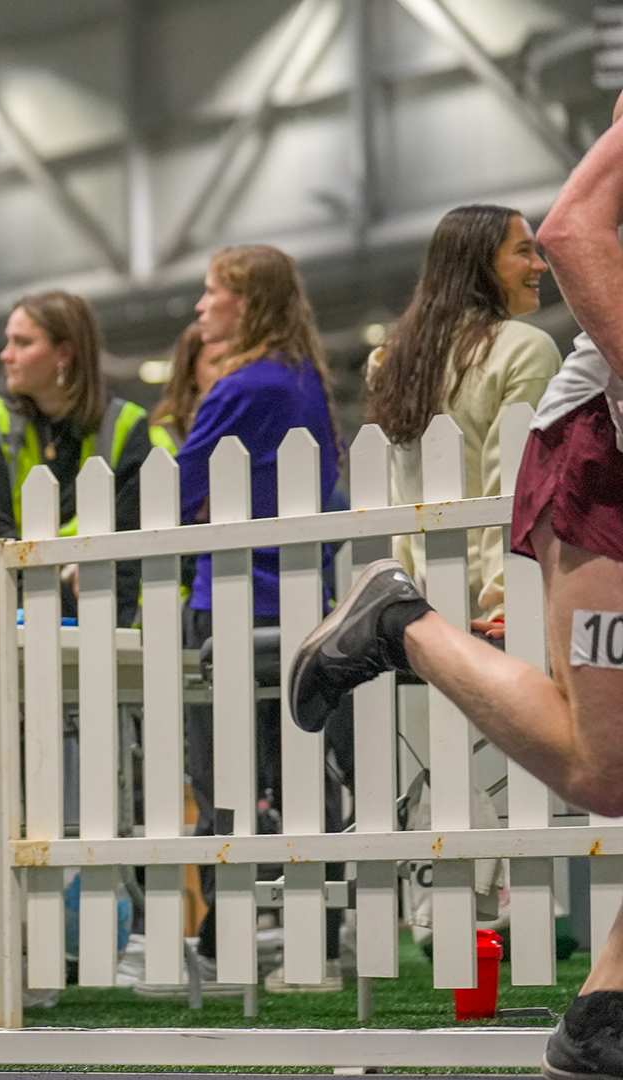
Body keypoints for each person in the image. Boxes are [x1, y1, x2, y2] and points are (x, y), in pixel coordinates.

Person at [290, 98, 623, 1080]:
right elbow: (570, 230)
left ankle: (607, 1009)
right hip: (605, 460)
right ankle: (399, 623)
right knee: (607, 772)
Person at [174, 244, 345, 993]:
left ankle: (224, 943)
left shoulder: (243, 387)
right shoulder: (305, 379)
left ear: (247, 303)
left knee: (224, 784)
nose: (201, 307)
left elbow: (176, 497)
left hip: (234, 608)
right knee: (307, 778)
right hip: (304, 605)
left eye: (213, 293)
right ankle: (318, 939)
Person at [365, 204, 561, 626]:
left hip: (422, 610)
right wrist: (509, 599)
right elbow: (513, 485)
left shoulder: (390, 360)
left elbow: (400, 504)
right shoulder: (525, 348)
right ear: (480, 264)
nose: (540, 265)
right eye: (524, 251)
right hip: (502, 611)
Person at [0, 290, 169, 626]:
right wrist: (61, 591)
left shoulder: (127, 426)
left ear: (65, 353)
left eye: (22, 343)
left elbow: (130, 547)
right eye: (8, 341)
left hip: (104, 616)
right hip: (1, 615)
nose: (5, 354)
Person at [147, 320, 230, 448]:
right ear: (190, 371)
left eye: (235, 360)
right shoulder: (162, 437)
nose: (229, 370)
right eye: (217, 361)